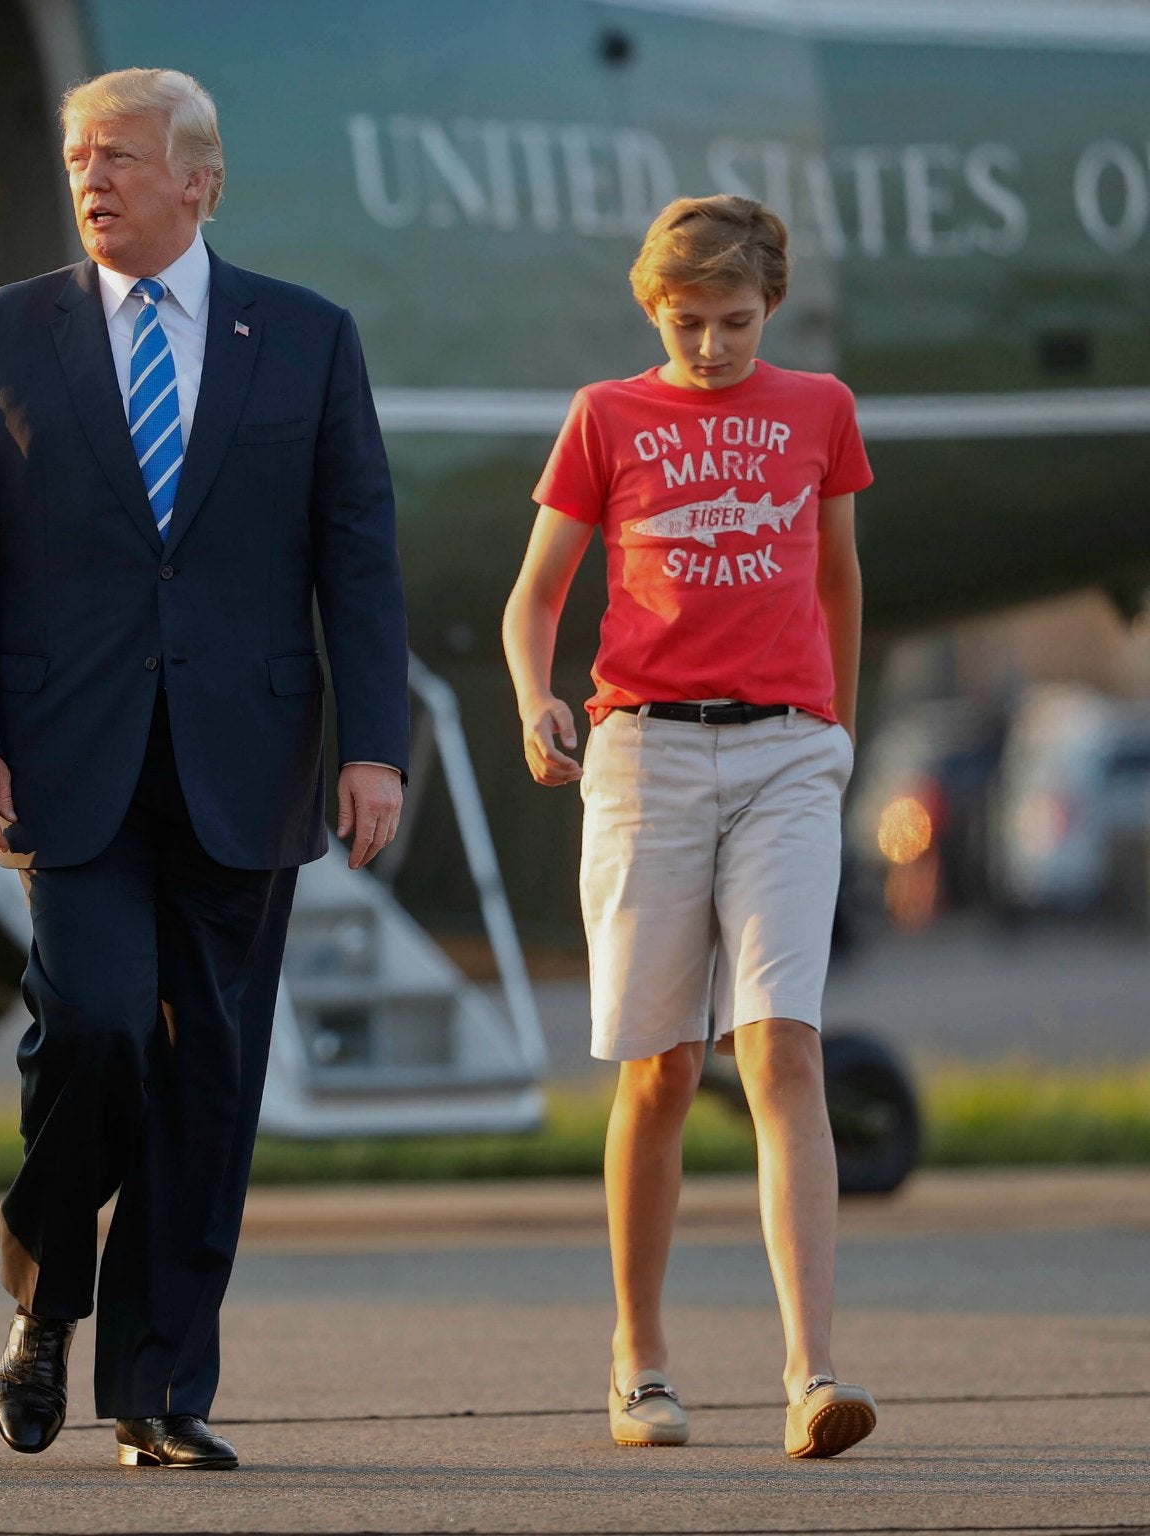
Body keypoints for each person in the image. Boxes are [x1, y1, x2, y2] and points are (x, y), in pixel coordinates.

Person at [0, 68, 409, 1470]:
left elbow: (357, 555)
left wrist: (375, 749)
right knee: (102, 1030)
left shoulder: (306, 338)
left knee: (213, 1076)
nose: (92, 178)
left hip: (248, 758)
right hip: (66, 759)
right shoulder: (0, 335)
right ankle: (47, 1288)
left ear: (202, 177)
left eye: (121, 156)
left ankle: (157, 1387)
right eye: (78, 156)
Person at [501, 195, 877, 1459]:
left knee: (780, 1050)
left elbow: (836, 574)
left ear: (768, 307)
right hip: (645, 752)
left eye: (731, 321)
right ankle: (639, 1359)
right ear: (648, 309)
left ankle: (811, 1375)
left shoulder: (817, 409)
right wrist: (532, 699)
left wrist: (833, 727)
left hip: (783, 752)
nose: (710, 345)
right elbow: (535, 595)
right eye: (685, 322)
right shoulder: (608, 417)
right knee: (658, 1066)